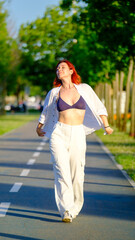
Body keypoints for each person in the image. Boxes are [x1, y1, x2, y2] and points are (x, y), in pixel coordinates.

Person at [36, 59, 113, 223]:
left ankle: (76, 206)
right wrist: (39, 126)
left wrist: (106, 126)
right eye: (57, 68)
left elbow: (99, 107)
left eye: (62, 67)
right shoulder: (54, 92)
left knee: (77, 173)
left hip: (77, 133)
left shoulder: (84, 89)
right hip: (59, 133)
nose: (59, 70)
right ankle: (66, 210)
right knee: (61, 171)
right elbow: (46, 111)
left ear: (71, 71)